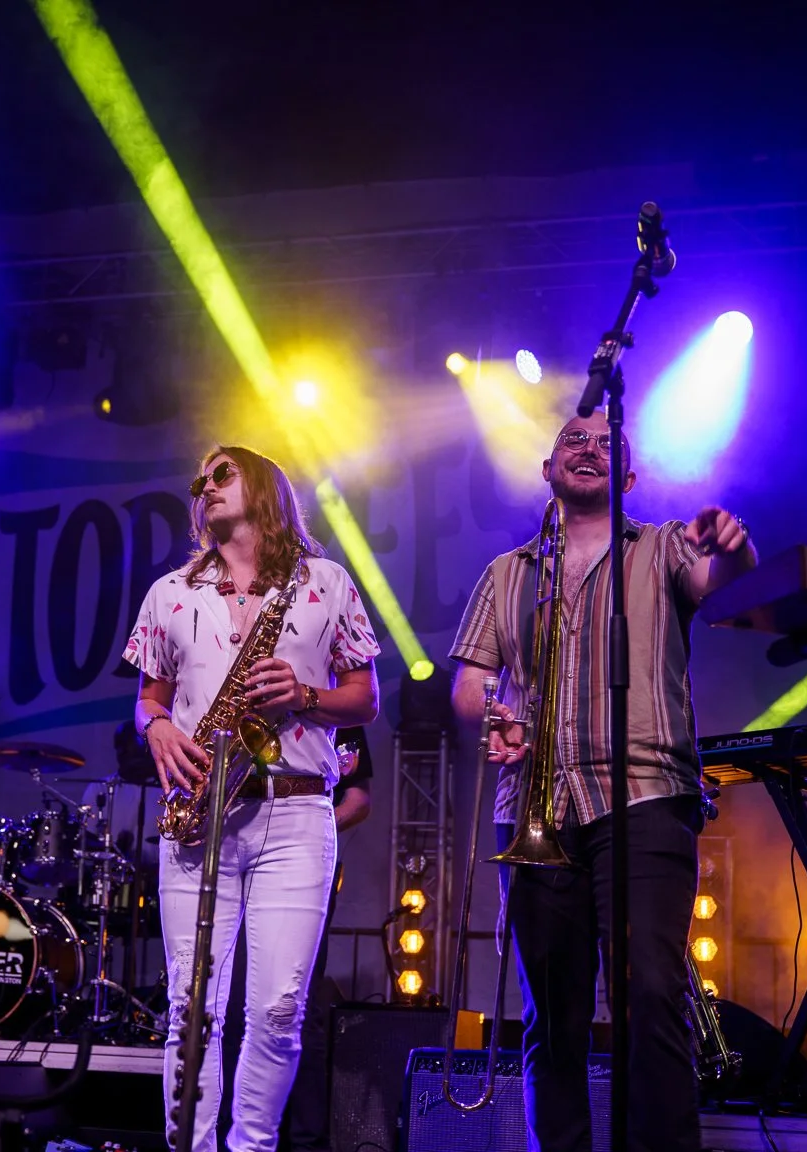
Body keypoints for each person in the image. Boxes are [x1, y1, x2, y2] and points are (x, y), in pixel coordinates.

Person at [449, 413, 756, 1152]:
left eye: (606, 443)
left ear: (629, 476)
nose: (588, 448)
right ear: (547, 468)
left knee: (649, 994)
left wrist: (734, 547)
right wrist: (495, 713)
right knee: (552, 1014)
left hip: (644, 794)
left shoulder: (662, 546)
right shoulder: (507, 572)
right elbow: (469, 682)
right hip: (536, 806)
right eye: (573, 440)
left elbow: (724, 580)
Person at [125, 445, 381, 1152]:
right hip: (199, 812)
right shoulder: (170, 591)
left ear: (265, 488)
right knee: (190, 1010)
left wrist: (304, 695)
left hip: (295, 814)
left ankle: (251, 1147)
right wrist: (157, 728)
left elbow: (365, 698)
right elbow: (148, 700)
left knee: (277, 1009)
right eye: (199, 477)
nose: (203, 484)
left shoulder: (325, 581)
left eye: (222, 473)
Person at [219, 725, 374, 1150]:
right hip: (233, 854)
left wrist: (306, 826)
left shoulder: (336, 705)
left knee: (295, 1005)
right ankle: (226, 1133)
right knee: (230, 1002)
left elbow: (358, 799)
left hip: (301, 858)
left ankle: (307, 1140)